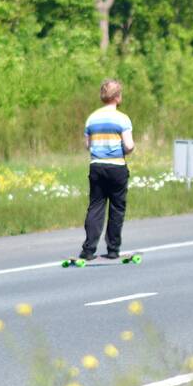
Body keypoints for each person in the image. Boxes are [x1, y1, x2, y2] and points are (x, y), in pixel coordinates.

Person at [78, 79, 135, 261]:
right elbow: (129, 145)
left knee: (96, 206)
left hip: (96, 166)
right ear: (117, 97)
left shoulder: (92, 118)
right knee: (117, 207)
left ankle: (88, 249)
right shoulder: (122, 118)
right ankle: (112, 248)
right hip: (116, 166)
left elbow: (88, 145)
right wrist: (127, 149)